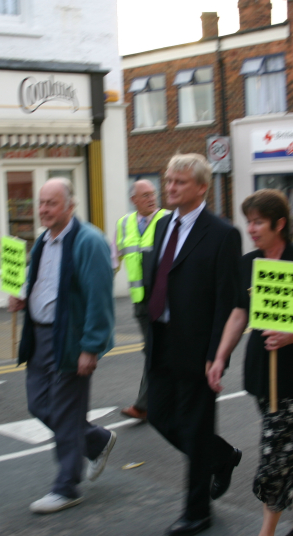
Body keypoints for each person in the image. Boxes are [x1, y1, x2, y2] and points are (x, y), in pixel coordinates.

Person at [208, 189, 293, 536]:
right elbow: (239, 314)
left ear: (279, 224)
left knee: (274, 457)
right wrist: (220, 357)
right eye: (249, 221)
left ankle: (267, 532)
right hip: (263, 372)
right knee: (291, 450)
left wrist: (291, 334)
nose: (251, 228)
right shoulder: (248, 264)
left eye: (258, 222)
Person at [144, 153, 242, 536]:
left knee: (196, 426)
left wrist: (217, 354)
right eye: (168, 180)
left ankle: (196, 512)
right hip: (162, 340)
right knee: (159, 415)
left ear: (202, 187)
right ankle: (221, 457)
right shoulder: (160, 225)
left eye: (179, 182)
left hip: (199, 348)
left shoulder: (222, 234)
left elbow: (229, 301)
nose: (170, 187)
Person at [8, 177, 117, 513]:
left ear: (70, 206)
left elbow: (99, 299)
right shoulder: (43, 240)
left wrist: (91, 346)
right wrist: (21, 297)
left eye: (51, 203)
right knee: (39, 405)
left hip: (70, 338)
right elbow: (37, 282)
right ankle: (96, 440)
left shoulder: (89, 241)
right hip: (40, 336)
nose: (42, 209)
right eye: (41, 203)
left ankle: (66, 486)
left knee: (67, 412)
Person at [112, 179, 169, 420]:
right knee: (158, 351)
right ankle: (164, 400)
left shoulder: (168, 219)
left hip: (166, 300)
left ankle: (146, 405)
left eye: (153, 193)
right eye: (144, 195)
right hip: (141, 302)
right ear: (133, 200)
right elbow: (114, 261)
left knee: (155, 350)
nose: (150, 198)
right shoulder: (124, 224)